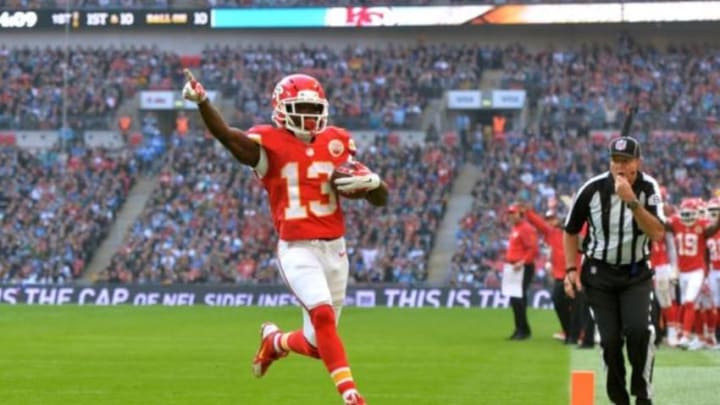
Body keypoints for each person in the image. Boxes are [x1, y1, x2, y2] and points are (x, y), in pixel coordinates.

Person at [183, 69, 388, 405]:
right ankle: (350, 394)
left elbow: (380, 200)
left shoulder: (337, 141)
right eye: (300, 109)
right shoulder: (269, 143)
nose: (308, 116)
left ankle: (275, 342)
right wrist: (203, 101)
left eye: (312, 109)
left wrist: (376, 185)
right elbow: (226, 135)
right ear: (281, 108)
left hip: (336, 251)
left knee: (320, 344)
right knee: (322, 316)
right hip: (297, 248)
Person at [563, 136, 666, 405]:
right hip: (599, 275)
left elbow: (657, 233)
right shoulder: (592, 189)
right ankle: (619, 399)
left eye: (626, 160)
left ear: (637, 163)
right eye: (615, 160)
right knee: (609, 341)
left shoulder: (648, 187)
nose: (620, 166)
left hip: (636, 274)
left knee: (639, 332)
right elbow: (571, 230)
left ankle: (642, 394)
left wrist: (632, 202)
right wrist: (571, 269)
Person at [523, 206, 574, 343]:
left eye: (552, 219)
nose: (550, 222)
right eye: (548, 219)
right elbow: (539, 224)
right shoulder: (552, 233)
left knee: (574, 305)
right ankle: (569, 331)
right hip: (561, 275)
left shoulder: (571, 232)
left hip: (574, 273)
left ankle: (573, 333)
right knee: (560, 302)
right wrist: (528, 211)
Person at [503, 204, 538, 340]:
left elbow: (533, 249)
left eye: (513, 213)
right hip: (514, 267)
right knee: (516, 299)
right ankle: (521, 329)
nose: (510, 216)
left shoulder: (526, 229)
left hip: (522, 267)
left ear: (520, 214)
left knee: (518, 298)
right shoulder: (516, 228)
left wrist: (522, 262)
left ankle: (522, 330)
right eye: (509, 213)